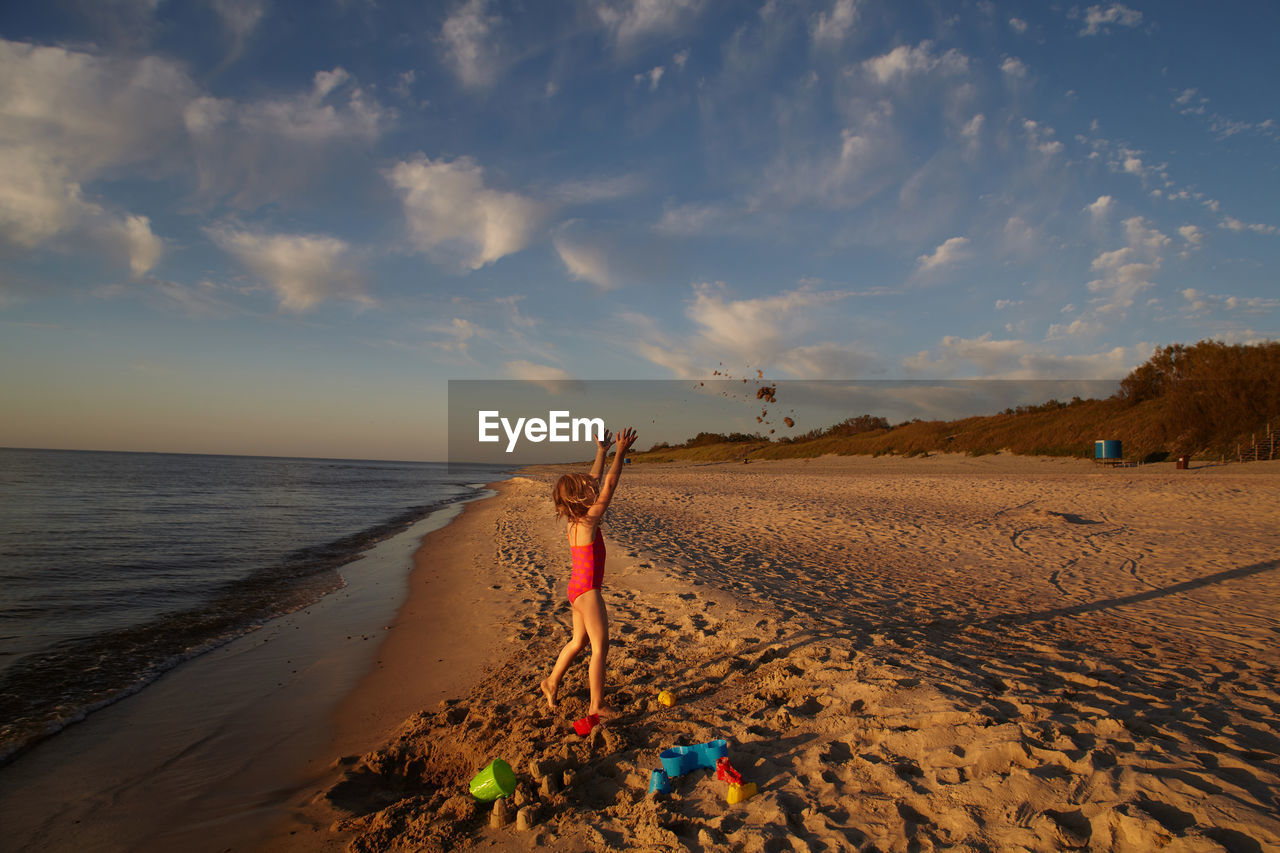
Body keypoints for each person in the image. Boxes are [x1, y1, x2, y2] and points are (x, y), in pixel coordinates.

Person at [540, 426, 638, 734]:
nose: (593, 487)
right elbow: (608, 484)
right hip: (588, 592)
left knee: (578, 641)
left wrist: (601, 451)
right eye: (588, 488)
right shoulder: (588, 521)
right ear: (583, 498)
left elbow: (596, 479)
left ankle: (551, 681)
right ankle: (596, 705)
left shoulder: (574, 520)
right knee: (600, 647)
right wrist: (620, 454)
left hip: (575, 590)